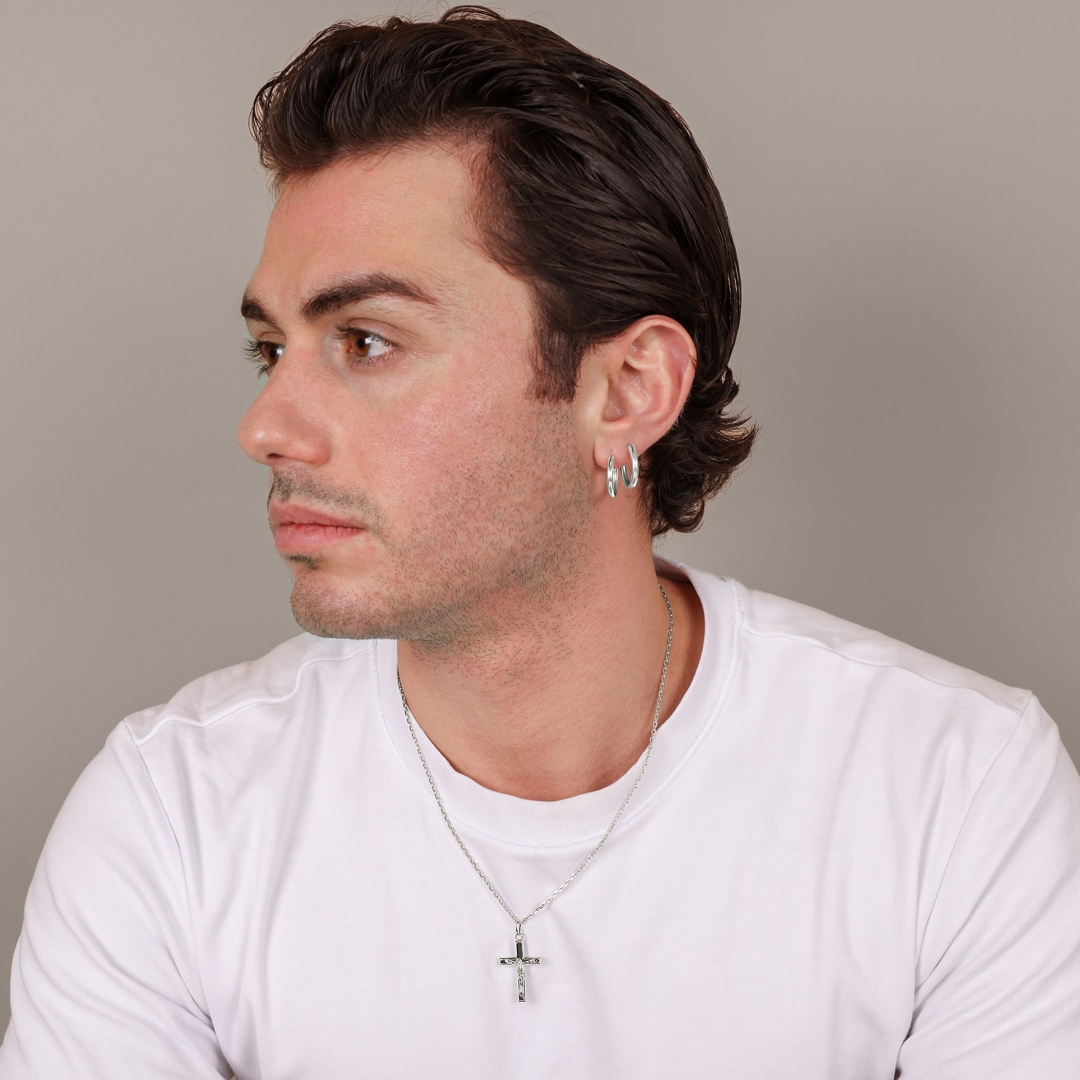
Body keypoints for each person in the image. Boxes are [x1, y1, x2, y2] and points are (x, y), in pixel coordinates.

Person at [2, 7, 1079, 1078]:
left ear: (628, 391)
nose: (265, 427)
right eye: (270, 350)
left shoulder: (954, 792)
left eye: (366, 342)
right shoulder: (174, 815)